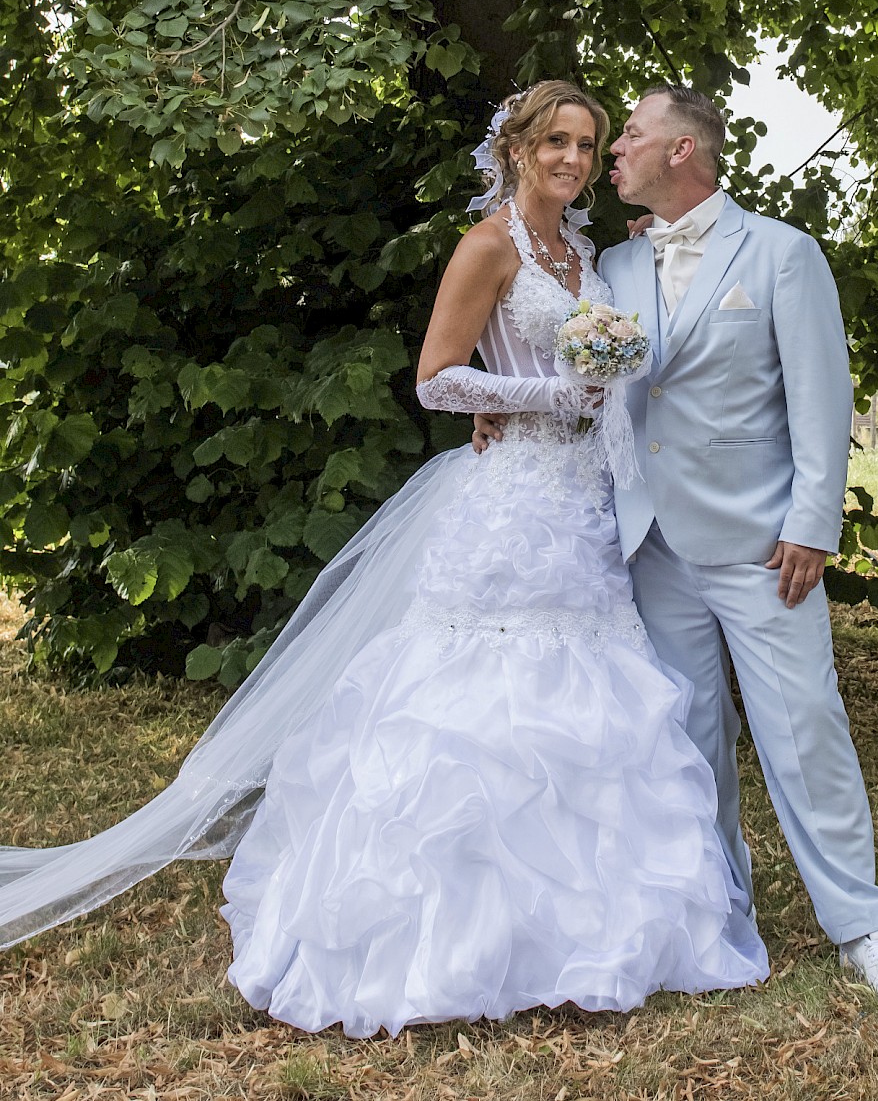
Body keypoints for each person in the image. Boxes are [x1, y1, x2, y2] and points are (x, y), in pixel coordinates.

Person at [0, 81, 767, 1037]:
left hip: (588, 512)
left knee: (591, 711)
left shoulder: (589, 255)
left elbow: (599, 383)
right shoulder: (490, 246)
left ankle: (587, 936)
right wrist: (538, 397)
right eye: (558, 142)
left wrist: (590, 397)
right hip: (512, 508)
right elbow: (436, 379)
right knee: (476, 715)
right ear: (520, 149)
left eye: (589, 145)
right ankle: (449, 941)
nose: (575, 160)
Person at [476, 83, 878, 1002]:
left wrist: (813, 523)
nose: (612, 155)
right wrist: (496, 407)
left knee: (804, 729)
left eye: (628, 136)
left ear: (682, 151)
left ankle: (864, 926)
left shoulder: (782, 255)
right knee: (685, 739)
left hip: (764, 546)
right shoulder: (619, 268)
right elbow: (585, 376)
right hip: (647, 543)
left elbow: (820, 397)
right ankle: (719, 913)